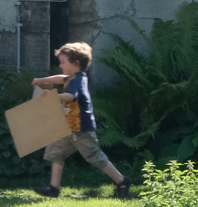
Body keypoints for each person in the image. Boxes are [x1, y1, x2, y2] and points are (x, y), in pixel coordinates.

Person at [32, 42, 131, 198]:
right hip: (67, 126)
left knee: (94, 156)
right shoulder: (72, 77)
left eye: (63, 62)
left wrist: (52, 97)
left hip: (81, 128)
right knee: (56, 151)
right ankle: (53, 188)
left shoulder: (78, 80)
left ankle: (122, 181)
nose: (60, 65)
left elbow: (70, 96)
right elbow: (60, 79)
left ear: (76, 64)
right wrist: (41, 80)